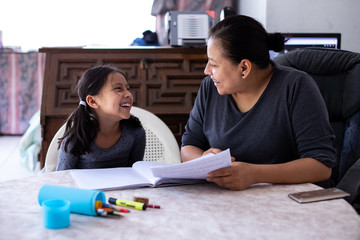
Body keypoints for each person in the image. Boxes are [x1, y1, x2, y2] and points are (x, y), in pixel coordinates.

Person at [181, 15, 337, 190]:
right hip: (228, 201)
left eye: (214, 65)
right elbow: (189, 145)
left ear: (244, 68)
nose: (206, 71)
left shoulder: (296, 86)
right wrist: (203, 161)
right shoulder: (210, 88)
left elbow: (322, 166)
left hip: (292, 202)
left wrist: (254, 175)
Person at [56, 65, 146, 170]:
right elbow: (62, 178)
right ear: (93, 101)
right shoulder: (77, 138)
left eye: (128, 88)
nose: (129, 94)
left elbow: (137, 173)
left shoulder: (135, 131)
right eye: (118, 88)